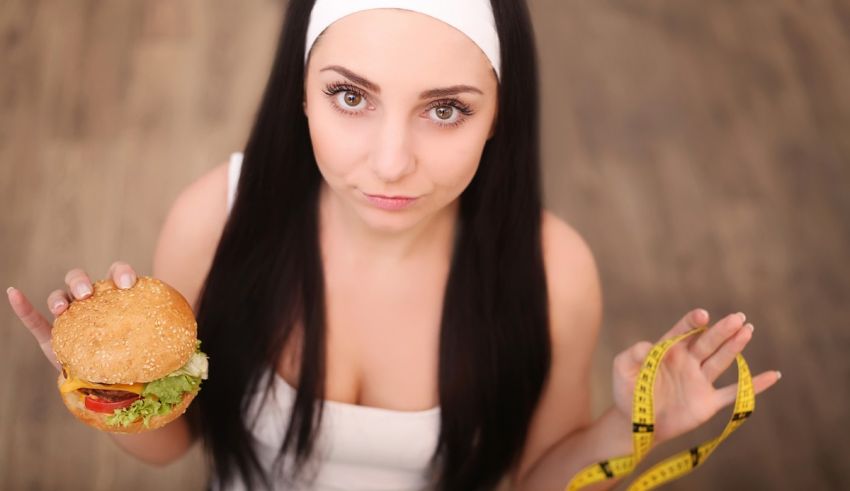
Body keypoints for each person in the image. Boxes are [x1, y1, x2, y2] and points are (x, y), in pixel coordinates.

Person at [6, 1, 782, 490]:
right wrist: (113, 390)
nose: (389, 163)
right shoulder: (214, 218)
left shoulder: (554, 270)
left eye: (445, 110)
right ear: (301, 95)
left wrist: (627, 426)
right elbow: (173, 445)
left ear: (498, 116)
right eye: (350, 96)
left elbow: (539, 481)